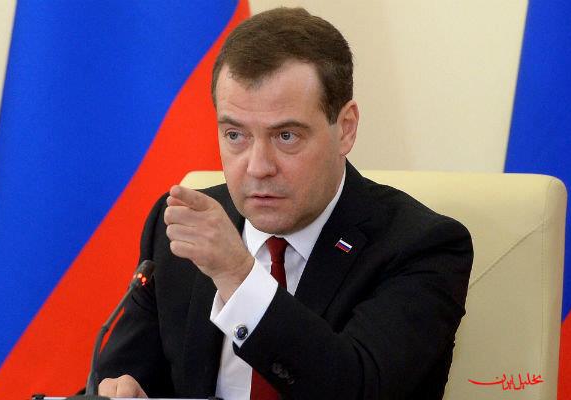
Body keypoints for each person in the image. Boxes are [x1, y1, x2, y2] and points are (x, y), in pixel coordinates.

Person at [97, 7, 473, 400]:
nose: (258, 167)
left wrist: (238, 277)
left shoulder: (422, 246)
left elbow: (358, 388)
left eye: (286, 136)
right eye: (235, 135)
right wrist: (120, 391)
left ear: (345, 129)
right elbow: (114, 380)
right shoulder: (180, 230)